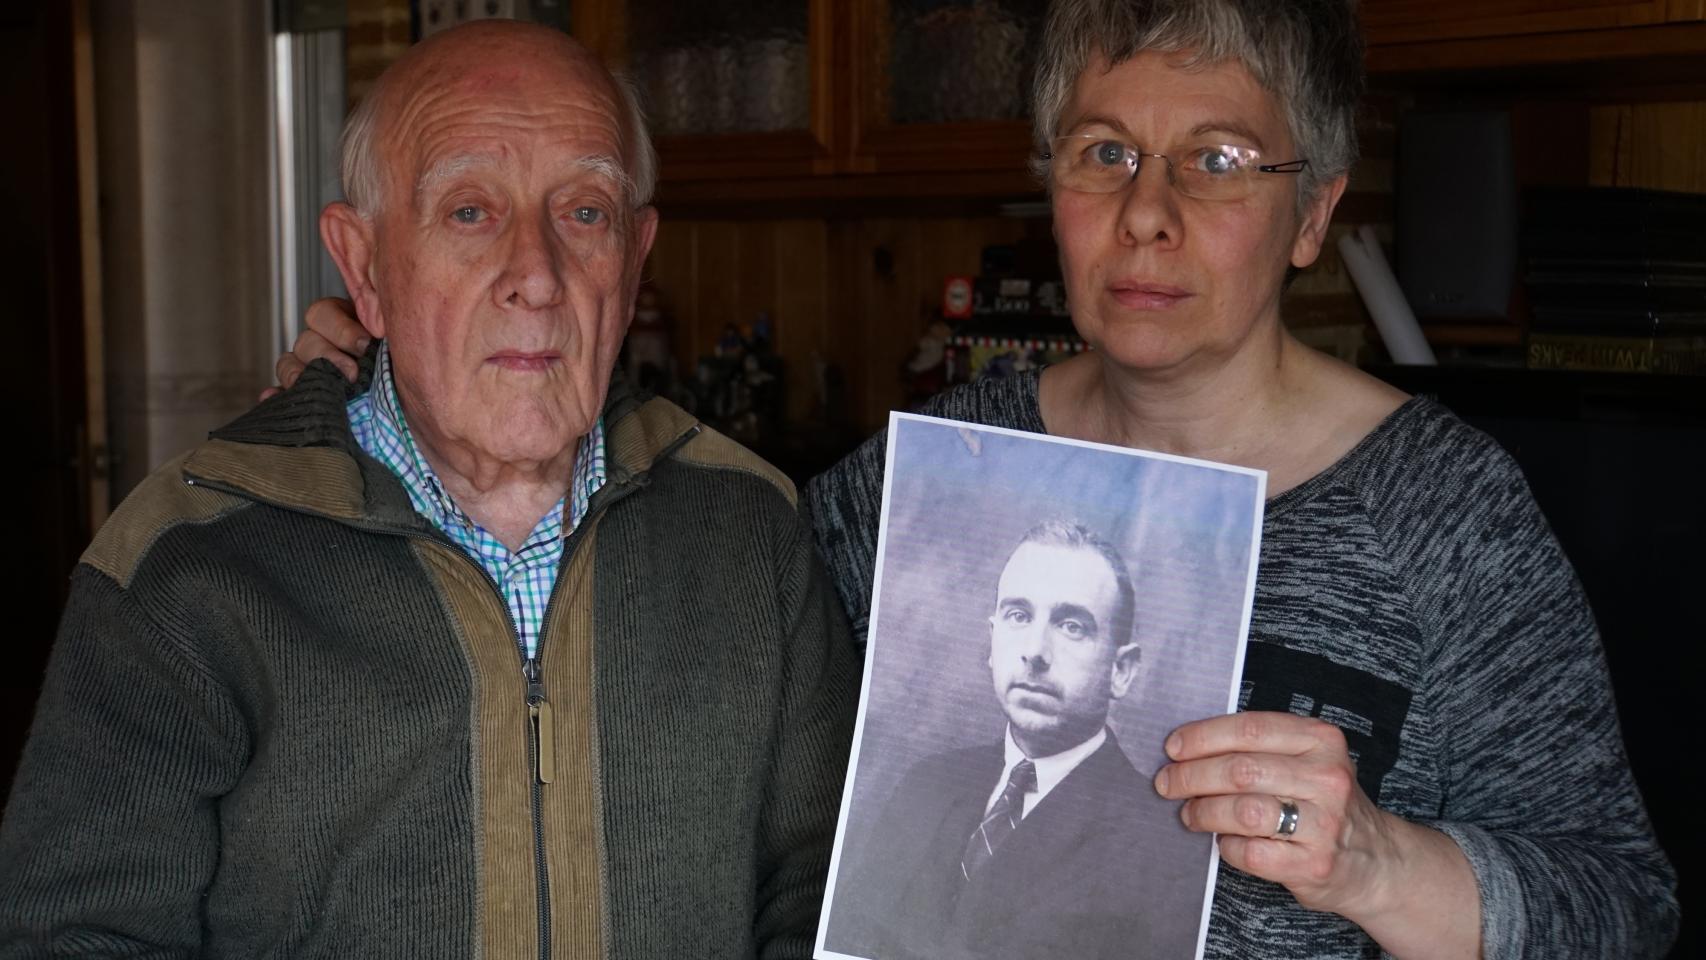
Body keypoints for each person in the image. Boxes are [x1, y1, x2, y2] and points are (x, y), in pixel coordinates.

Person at [272, 1, 1680, 956]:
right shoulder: (935, 470)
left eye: (1219, 161)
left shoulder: (1442, 511)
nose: (1148, 212)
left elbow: (1621, 905)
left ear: (1311, 212)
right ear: (1051, 189)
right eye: (1104, 153)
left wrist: (1375, 864)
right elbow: (661, 590)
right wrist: (422, 394)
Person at [0, 21, 857, 960]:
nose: (536, 275)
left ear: (636, 252)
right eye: (469, 212)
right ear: (364, 267)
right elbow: (76, 936)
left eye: (584, 212)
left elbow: (820, 896)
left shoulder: (751, 529)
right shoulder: (187, 566)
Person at [824, 520, 1206, 960]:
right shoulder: (926, 784)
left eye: (1072, 626)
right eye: (1019, 616)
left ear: (1121, 670)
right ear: (992, 641)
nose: (1036, 651)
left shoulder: (1163, 845)